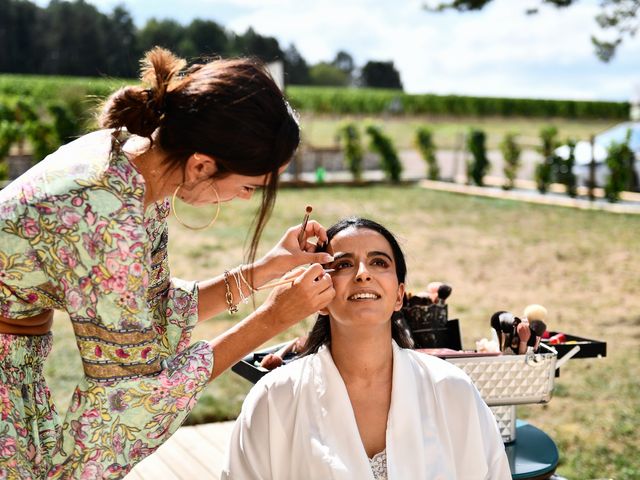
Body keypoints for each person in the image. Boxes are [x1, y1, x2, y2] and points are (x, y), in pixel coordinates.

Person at [0, 47, 335, 479]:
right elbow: (130, 401)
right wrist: (273, 319)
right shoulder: (109, 215)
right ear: (201, 164)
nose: (247, 197)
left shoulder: (131, 162)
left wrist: (266, 270)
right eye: (250, 185)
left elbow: (152, 308)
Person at [222, 217, 511, 480]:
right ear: (320, 296)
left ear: (399, 296)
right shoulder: (275, 398)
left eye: (379, 263)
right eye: (344, 264)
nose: (362, 274)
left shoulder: (452, 389)